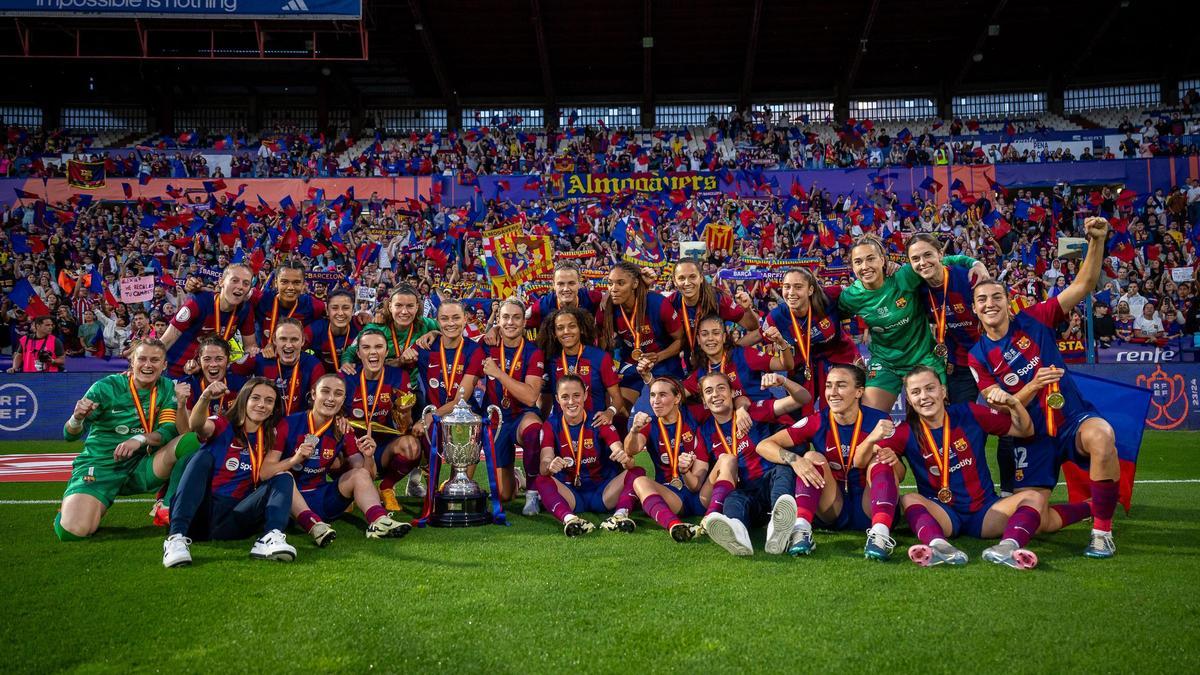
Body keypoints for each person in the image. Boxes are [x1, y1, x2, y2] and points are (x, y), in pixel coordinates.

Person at [967, 216, 1120, 558]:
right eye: (982, 301)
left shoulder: (1036, 319)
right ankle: (1091, 506)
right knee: (1038, 519)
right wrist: (1033, 386)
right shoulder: (977, 356)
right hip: (1028, 437)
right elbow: (1001, 408)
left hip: (1070, 421)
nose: (990, 304)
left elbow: (1083, 285)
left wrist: (1096, 241)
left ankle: (1102, 533)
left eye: (996, 298)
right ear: (975, 310)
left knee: (1103, 437)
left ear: (1009, 302)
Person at [860, 366, 1046, 569]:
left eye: (930, 388)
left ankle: (1008, 547)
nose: (924, 397)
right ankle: (939, 546)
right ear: (910, 400)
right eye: (916, 392)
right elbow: (863, 461)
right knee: (909, 498)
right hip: (943, 515)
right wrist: (880, 447)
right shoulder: (905, 432)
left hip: (986, 512)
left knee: (1034, 497)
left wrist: (1014, 403)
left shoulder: (969, 412)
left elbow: (1024, 430)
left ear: (943, 391)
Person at [55, 339, 198, 541]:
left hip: (140, 467)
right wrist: (77, 418)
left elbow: (167, 431)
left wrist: (138, 439)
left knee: (190, 441)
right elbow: (69, 435)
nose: (148, 365)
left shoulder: (167, 388)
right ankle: (75, 505)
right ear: (132, 361)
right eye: (142, 359)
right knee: (73, 532)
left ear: (164, 365)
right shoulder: (106, 387)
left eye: (155, 360)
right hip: (102, 466)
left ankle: (166, 506)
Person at [755, 364, 901, 560]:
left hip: (870, 506)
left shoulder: (880, 420)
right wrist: (794, 459)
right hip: (834, 507)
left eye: (841, 385)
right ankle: (801, 531)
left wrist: (890, 458)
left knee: (881, 460)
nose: (832, 393)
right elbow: (763, 445)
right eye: (829, 386)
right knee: (811, 458)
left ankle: (881, 535)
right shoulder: (818, 421)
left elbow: (896, 473)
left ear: (859, 392)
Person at [838, 235, 987, 410]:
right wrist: (850, 353)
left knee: (934, 422)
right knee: (870, 418)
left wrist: (975, 264)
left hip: (923, 358)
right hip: (885, 362)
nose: (865, 266)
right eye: (858, 262)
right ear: (852, 267)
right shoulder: (850, 296)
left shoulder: (905, 276)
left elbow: (939, 260)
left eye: (871, 258)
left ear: (882, 259)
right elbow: (835, 317)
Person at [161, 377, 297, 567]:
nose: (261, 405)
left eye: (269, 401)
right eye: (255, 398)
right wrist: (205, 398)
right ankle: (176, 538)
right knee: (201, 457)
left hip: (235, 518)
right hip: (201, 513)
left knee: (283, 477)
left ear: (274, 408)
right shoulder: (222, 424)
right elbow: (197, 425)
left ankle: (270, 538)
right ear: (244, 400)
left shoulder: (271, 436)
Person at [266, 373, 411, 544]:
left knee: (358, 474)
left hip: (323, 499)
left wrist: (368, 456)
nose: (331, 399)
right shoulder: (288, 424)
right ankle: (314, 525)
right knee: (284, 477)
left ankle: (379, 521)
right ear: (314, 395)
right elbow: (265, 472)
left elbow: (366, 476)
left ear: (343, 399)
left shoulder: (343, 429)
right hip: (289, 503)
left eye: (338, 394)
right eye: (325, 392)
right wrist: (294, 460)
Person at [696, 371, 812, 557]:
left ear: (733, 393)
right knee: (732, 498)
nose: (715, 394)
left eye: (721, 388)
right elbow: (699, 483)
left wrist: (783, 381)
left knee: (784, 468)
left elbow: (803, 399)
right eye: (709, 391)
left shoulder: (755, 411)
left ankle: (778, 522)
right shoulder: (705, 431)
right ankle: (738, 532)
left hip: (772, 480)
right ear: (703, 401)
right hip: (747, 492)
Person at [531, 375, 639, 537]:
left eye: (576, 396)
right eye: (565, 397)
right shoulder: (550, 425)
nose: (571, 402)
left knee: (637, 473)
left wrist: (624, 458)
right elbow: (544, 462)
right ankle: (570, 519)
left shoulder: (598, 420)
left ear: (585, 395)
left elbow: (622, 454)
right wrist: (549, 465)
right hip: (571, 494)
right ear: (557, 399)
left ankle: (619, 516)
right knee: (541, 479)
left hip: (603, 492)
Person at [345, 328, 424, 511]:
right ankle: (347, 490)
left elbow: (405, 425)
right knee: (331, 451)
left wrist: (404, 413)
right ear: (358, 353)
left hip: (385, 448)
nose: (373, 352)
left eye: (378, 346)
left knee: (412, 446)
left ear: (386, 351)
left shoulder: (398, 376)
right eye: (366, 347)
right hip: (353, 449)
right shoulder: (347, 377)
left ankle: (386, 487)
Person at [481, 299, 547, 509]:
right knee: (503, 494)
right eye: (506, 317)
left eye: (516, 317)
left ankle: (532, 492)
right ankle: (517, 479)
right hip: (495, 419)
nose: (511, 322)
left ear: (524, 322)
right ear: (498, 320)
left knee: (534, 430)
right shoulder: (486, 344)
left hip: (521, 415)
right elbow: (455, 340)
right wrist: (434, 334)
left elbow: (530, 397)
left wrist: (498, 374)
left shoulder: (533, 351)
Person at [624, 377, 707, 542]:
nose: (656, 401)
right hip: (672, 495)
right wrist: (633, 431)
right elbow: (631, 450)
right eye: (653, 395)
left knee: (727, 461)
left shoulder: (694, 415)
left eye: (662, 395)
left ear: (677, 398)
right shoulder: (650, 424)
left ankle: (714, 517)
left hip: (702, 492)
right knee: (640, 481)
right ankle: (675, 525)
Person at [762, 268, 859, 406]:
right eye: (786, 287)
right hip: (803, 365)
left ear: (810, 290)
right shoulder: (776, 316)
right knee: (798, 415)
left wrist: (890, 270)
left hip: (839, 356)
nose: (791, 293)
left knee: (844, 409)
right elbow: (759, 335)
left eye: (798, 287)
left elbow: (864, 290)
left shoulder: (831, 295)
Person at [905, 233, 983, 403]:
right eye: (915, 258)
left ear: (940, 254)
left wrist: (976, 263)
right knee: (961, 419)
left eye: (928, 255)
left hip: (992, 354)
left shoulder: (968, 277)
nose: (923, 263)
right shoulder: (920, 292)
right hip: (962, 363)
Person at [599, 261, 684, 404]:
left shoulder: (658, 304)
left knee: (666, 406)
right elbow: (601, 343)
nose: (614, 289)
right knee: (618, 407)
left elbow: (680, 340)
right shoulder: (608, 309)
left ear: (635, 284)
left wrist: (658, 356)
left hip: (663, 363)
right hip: (632, 364)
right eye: (610, 283)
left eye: (620, 283)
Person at [161, 264, 258, 377]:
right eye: (234, 280)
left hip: (207, 373)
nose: (240, 286)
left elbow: (250, 346)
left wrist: (249, 356)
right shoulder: (199, 302)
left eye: (246, 283)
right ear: (221, 282)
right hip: (173, 370)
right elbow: (166, 341)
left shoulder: (245, 310)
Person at [537, 306, 623, 423]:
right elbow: (546, 401)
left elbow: (617, 398)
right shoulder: (549, 361)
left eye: (572, 326)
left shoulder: (600, 357)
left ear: (581, 329)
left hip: (594, 426)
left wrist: (609, 412)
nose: (566, 331)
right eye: (560, 328)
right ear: (554, 333)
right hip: (562, 430)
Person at [666, 258, 759, 363]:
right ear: (674, 281)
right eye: (681, 278)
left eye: (692, 277)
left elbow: (753, 327)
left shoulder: (719, 299)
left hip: (718, 361)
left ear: (701, 278)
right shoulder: (670, 302)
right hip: (690, 362)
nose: (687, 283)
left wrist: (747, 310)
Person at [684, 314, 793, 403]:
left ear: (724, 337)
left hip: (767, 419)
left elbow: (785, 365)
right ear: (698, 340)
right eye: (704, 334)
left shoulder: (744, 355)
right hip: (735, 427)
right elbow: (675, 394)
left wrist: (782, 344)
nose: (710, 338)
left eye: (716, 333)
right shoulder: (701, 373)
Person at [231, 318, 325, 416]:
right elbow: (230, 373)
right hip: (265, 421)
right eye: (283, 339)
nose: (288, 345)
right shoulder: (261, 359)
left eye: (294, 339)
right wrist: (246, 395)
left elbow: (319, 399)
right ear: (274, 340)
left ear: (302, 341)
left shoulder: (313, 365)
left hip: (297, 423)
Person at [340, 284, 438, 370]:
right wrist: (346, 364)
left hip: (413, 387)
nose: (404, 312)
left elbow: (450, 328)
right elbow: (350, 353)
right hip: (383, 384)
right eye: (398, 305)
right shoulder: (375, 327)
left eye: (410, 306)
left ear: (417, 307)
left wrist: (434, 333)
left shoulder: (424, 323)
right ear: (390, 307)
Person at [252, 260, 327, 344]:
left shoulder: (311, 304)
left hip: (295, 355)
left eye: (296, 282)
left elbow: (333, 311)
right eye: (284, 282)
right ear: (276, 283)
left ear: (303, 285)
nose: (290, 287)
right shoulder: (261, 299)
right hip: (264, 354)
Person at [525, 261, 605, 330]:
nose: (566, 289)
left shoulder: (591, 298)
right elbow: (520, 321)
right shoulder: (542, 306)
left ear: (579, 284)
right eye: (561, 284)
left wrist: (607, 295)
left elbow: (611, 295)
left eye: (571, 283)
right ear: (553, 286)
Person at [179, 336, 247, 415]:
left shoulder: (240, 385)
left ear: (228, 361)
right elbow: (187, 426)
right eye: (207, 359)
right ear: (199, 362)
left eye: (219, 359)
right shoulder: (187, 386)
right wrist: (204, 399)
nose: (213, 364)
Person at [304, 288, 361, 372]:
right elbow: (296, 348)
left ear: (353, 311)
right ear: (327, 310)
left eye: (346, 308)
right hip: (321, 380)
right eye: (334, 308)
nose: (340, 313)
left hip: (351, 379)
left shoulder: (360, 327)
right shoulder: (315, 329)